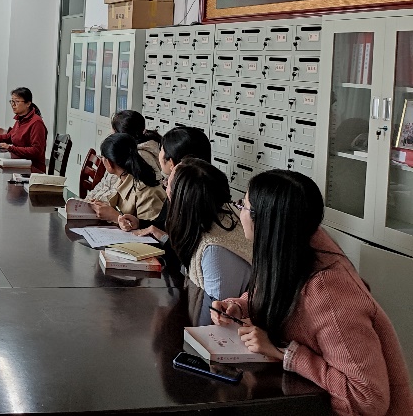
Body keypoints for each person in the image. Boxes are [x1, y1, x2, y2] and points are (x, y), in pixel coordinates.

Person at [212, 170, 413, 416]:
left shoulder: (327, 293)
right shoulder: (291, 247)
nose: (239, 211)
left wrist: (286, 353)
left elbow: (368, 399)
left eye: (243, 205)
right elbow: (277, 293)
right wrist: (240, 306)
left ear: (265, 221)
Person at [163, 157, 251, 301]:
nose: (166, 187)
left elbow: (217, 310)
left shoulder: (214, 251)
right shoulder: (215, 216)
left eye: (168, 184)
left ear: (180, 200)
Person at [117, 126, 212, 240]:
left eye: (161, 149)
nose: (159, 154)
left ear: (171, 163)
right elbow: (164, 225)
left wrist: (163, 238)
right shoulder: (193, 186)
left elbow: (186, 246)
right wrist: (139, 223)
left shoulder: (188, 196)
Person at [85, 110, 163, 204]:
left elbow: (119, 193)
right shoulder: (126, 152)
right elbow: (106, 184)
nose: (111, 134)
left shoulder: (136, 156)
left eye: (114, 132)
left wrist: (93, 203)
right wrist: (88, 200)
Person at [88, 132, 165, 222]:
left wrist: (115, 217)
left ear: (109, 163)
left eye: (102, 158)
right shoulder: (122, 178)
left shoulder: (146, 192)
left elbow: (149, 228)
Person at [0, 87, 48, 172]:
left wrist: (11, 148)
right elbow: (9, 137)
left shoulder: (36, 122)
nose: (13, 105)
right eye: (12, 101)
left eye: (16, 102)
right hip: (19, 163)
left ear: (28, 104)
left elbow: (36, 151)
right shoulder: (20, 119)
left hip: (32, 169)